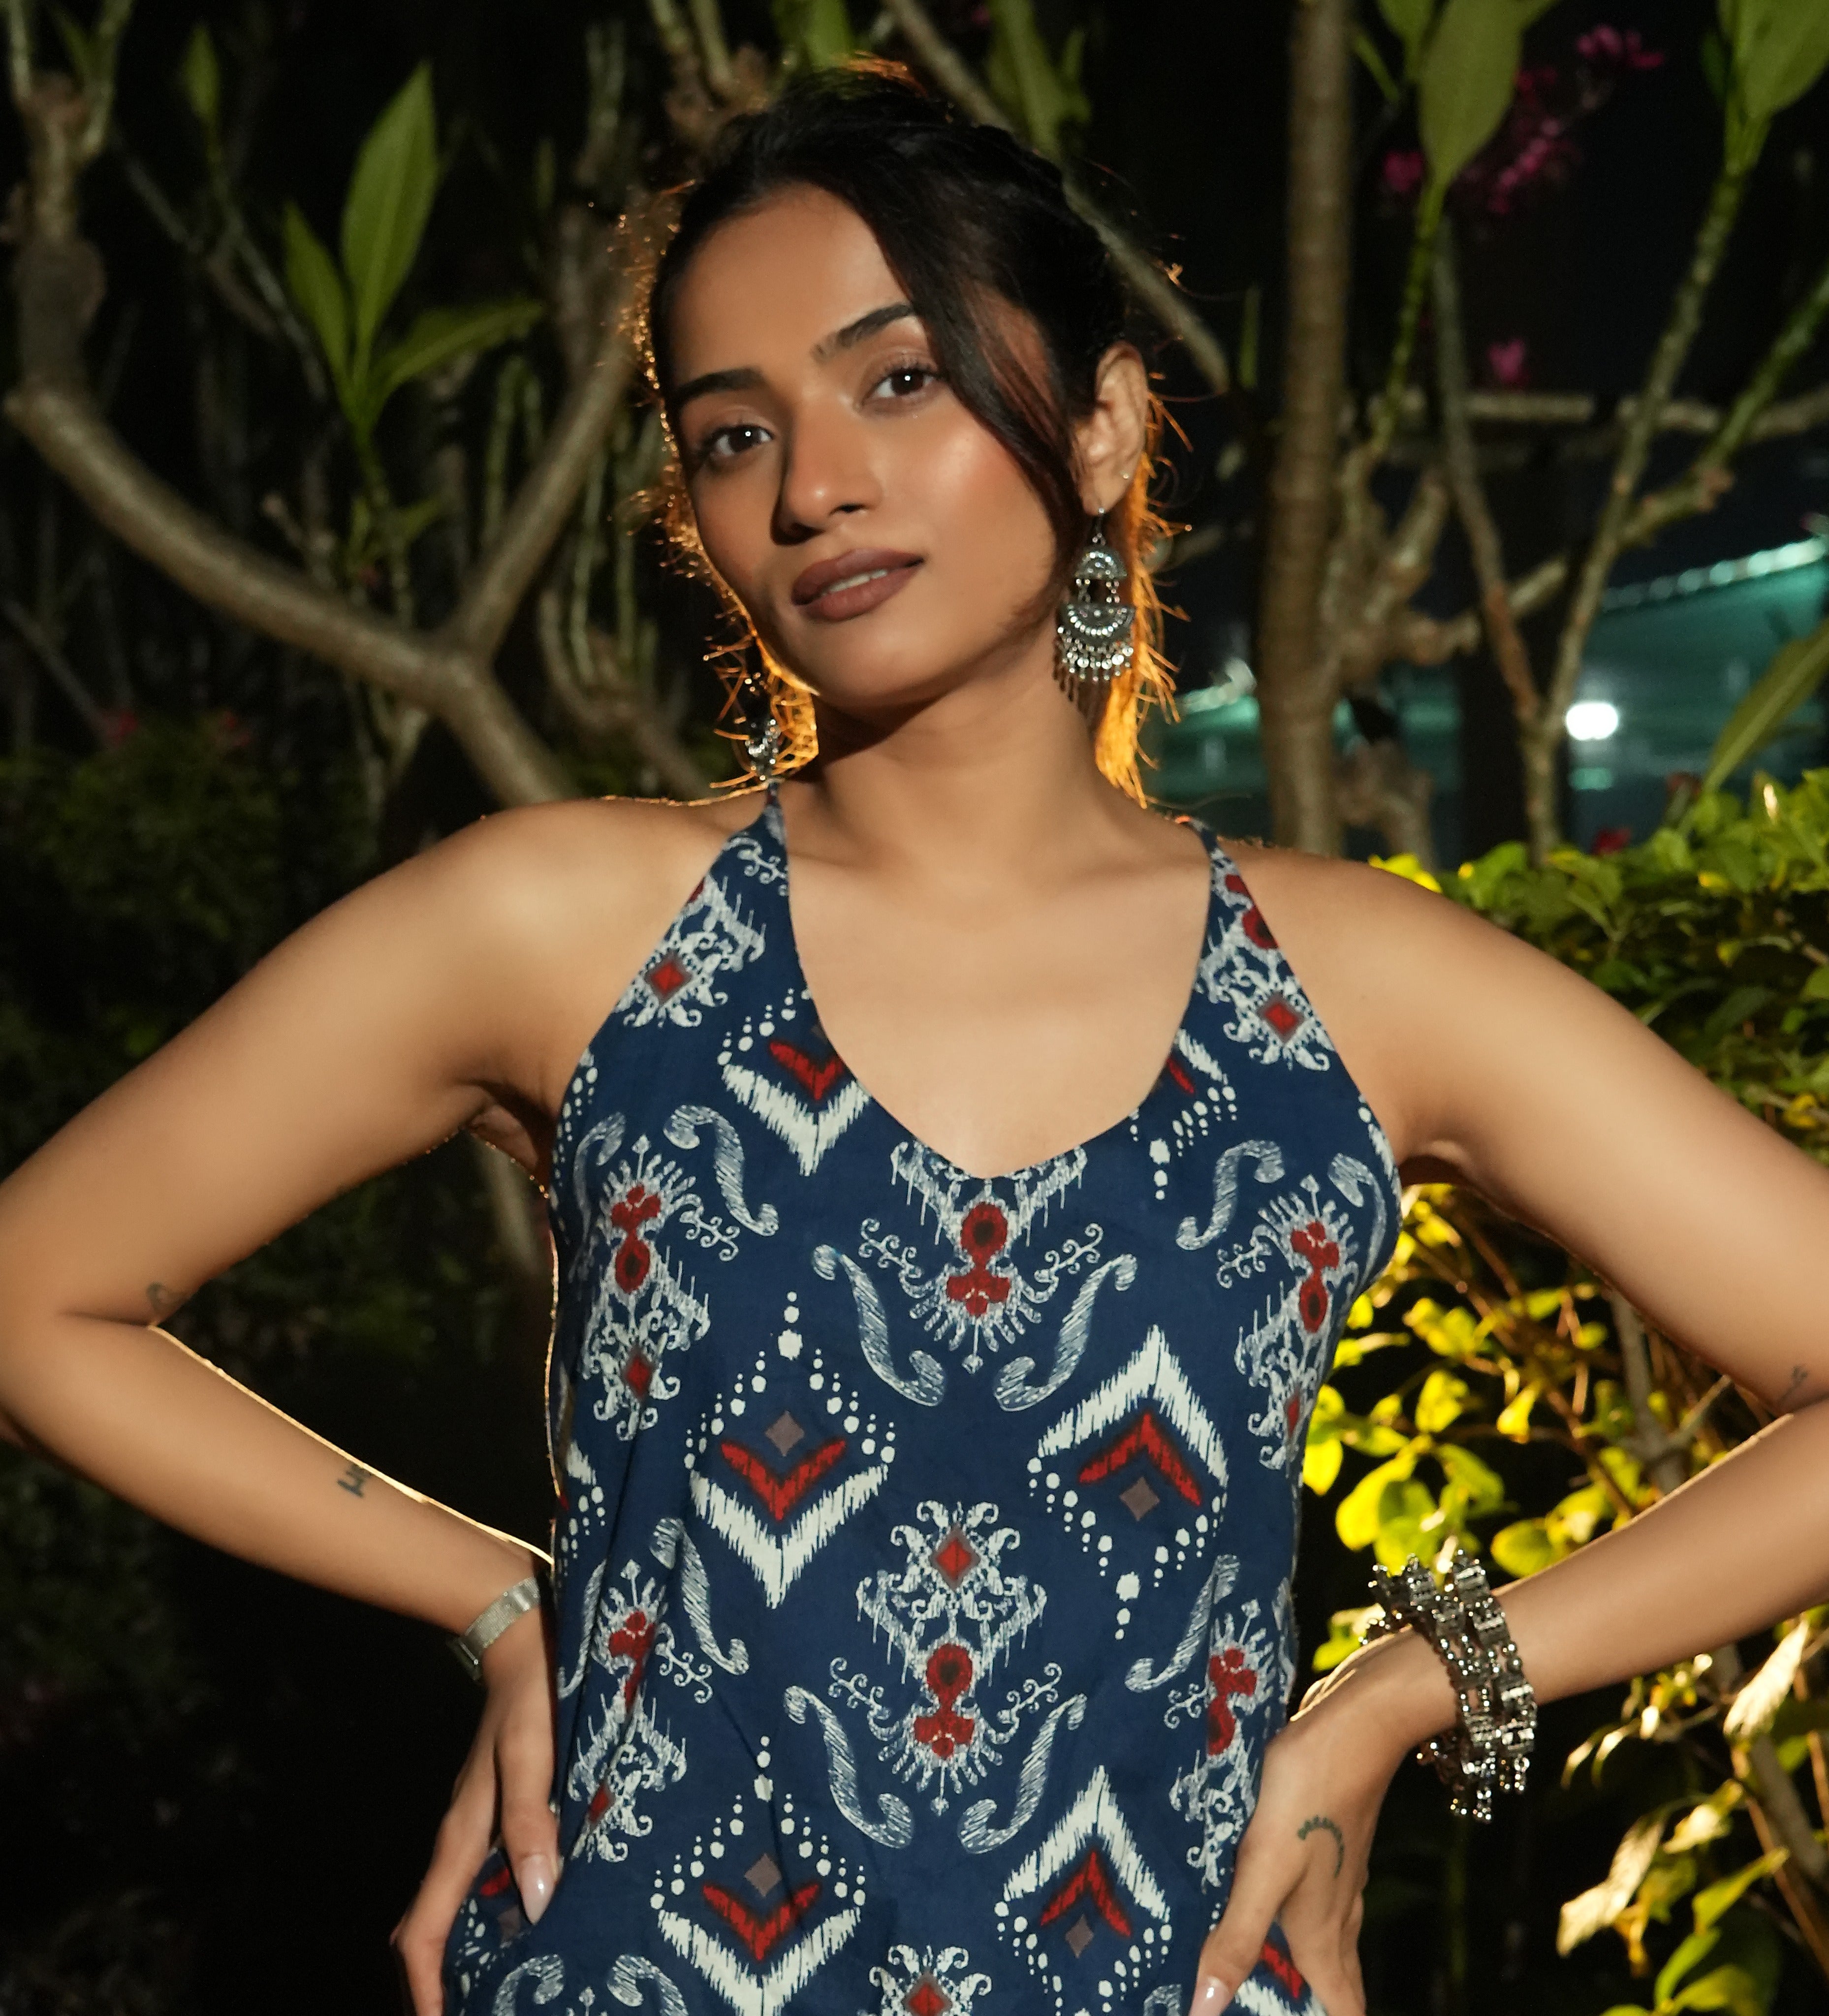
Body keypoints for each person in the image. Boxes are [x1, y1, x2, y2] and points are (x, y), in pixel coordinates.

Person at [2, 57, 1827, 2016]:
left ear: (1104, 421)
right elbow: (39, 1290)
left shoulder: (1361, 986)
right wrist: (493, 1595)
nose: (812, 486)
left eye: (897, 380)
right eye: (732, 433)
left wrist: (1406, 1689)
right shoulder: (559, 928)